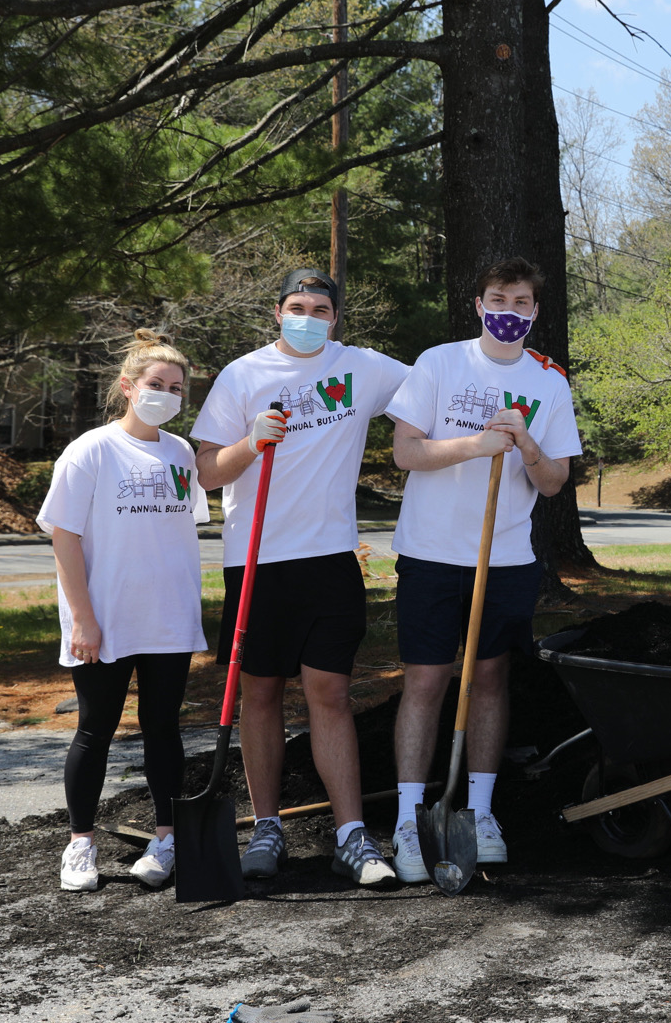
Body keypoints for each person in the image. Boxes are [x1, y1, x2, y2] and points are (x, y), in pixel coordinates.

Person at [191, 269, 412, 887]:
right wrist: (250, 444)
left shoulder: (364, 368)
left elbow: (438, 387)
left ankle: (351, 835)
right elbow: (207, 471)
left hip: (330, 559)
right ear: (278, 311)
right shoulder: (243, 375)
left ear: (336, 317)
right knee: (259, 696)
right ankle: (267, 825)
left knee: (331, 695)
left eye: (320, 308)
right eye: (296, 306)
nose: (308, 316)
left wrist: (519, 367)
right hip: (257, 561)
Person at [385, 258, 581, 882]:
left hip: (506, 560)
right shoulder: (440, 362)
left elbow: (553, 484)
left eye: (521, 302)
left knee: (490, 679)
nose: (509, 311)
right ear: (478, 304)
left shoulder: (549, 382)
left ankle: (482, 810)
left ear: (535, 312)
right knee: (425, 681)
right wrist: (475, 445)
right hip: (432, 554)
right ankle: (409, 818)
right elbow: (405, 452)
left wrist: (525, 444)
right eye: (498, 298)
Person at [38, 330, 208, 892]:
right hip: (105, 618)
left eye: (176, 388)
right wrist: (82, 617)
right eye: (155, 384)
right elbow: (64, 536)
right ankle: (80, 844)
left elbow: (181, 528)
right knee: (95, 729)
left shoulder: (181, 452)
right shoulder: (92, 449)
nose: (165, 394)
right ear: (127, 387)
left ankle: (166, 839)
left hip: (167, 617)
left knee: (163, 728)